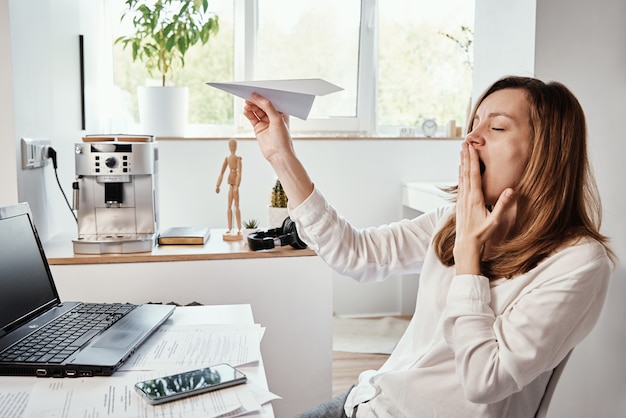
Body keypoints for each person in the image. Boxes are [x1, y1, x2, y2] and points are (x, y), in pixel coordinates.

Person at [243, 76, 615, 417]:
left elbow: (484, 380)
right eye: (474, 124)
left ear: (546, 154)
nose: (471, 138)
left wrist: (470, 255)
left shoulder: (578, 262)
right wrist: (281, 155)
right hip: (368, 402)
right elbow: (356, 255)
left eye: (497, 126)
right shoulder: (450, 220)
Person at [216, 138, 243, 239]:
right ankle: (230, 228)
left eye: (233, 145)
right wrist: (218, 185)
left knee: (237, 206)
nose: (232, 147)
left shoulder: (238, 159)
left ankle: (239, 228)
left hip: (235, 184)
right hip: (230, 184)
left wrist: (237, 185)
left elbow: (240, 173)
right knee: (229, 206)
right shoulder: (227, 159)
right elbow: (221, 173)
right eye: (231, 146)